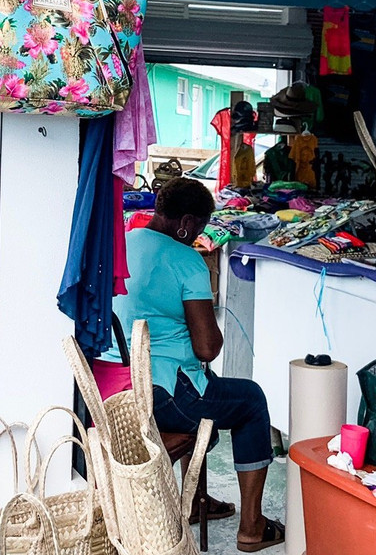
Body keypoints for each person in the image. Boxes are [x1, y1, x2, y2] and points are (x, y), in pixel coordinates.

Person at [108, 177, 285, 552]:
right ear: (186, 221)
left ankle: (193, 502)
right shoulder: (187, 260)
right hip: (164, 396)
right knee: (250, 400)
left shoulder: (125, 241)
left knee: (207, 386)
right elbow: (207, 347)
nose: (199, 235)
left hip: (121, 386)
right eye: (200, 227)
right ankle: (253, 527)